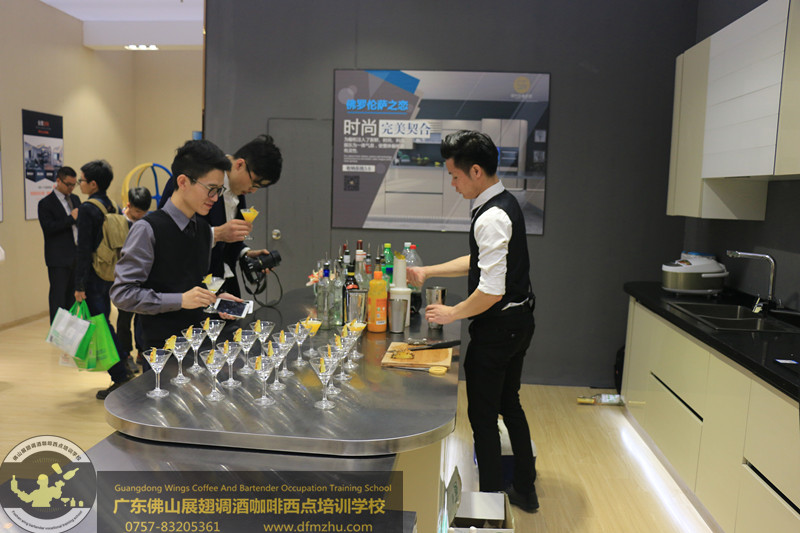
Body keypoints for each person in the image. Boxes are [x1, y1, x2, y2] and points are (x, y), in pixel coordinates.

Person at [406, 130, 538, 512]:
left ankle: (490, 505)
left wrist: (452, 312)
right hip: (519, 323)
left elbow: (491, 291)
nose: (453, 183)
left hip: (498, 330)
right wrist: (429, 270)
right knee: (509, 403)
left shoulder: (491, 217)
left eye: (455, 175)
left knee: (482, 418)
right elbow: (480, 261)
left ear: (476, 171)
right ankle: (525, 489)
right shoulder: (502, 203)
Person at [111, 139, 242, 352]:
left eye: (219, 190)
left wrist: (215, 299)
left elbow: (190, 283)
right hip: (161, 351)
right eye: (211, 189)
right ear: (182, 182)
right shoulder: (148, 229)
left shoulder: (203, 229)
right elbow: (122, 294)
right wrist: (180, 300)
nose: (215, 198)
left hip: (199, 344)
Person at [158, 134, 283, 296]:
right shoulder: (193, 179)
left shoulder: (237, 188)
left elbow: (223, 239)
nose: (253, 190)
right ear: (239, 165)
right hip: (189, 285)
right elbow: (168, 234)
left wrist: (244, 252)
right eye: (254, 184)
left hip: (220, 282)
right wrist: (217, 234)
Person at [73, 160, 133, 399]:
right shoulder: (113, 206)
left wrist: (79, 284)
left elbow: (83, 249)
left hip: (93, 275)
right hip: (111, 271)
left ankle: (120, 375)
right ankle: (123, 365)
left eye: (82, 180)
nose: (80, 184)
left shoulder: (88, 209)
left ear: (93, 184)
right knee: (104, 323)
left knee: (101, 326)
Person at [38, 166, 80, 323]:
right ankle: (57, 332)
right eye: (68, 184)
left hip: (76, 255)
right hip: (58, 259)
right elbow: (49, 228)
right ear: (58, 181)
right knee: (58, 298)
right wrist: (70, 218)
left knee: (72, 298)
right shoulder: (46, 203)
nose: (71, 188)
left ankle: (70, 331)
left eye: (74, 184)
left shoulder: (75, 199)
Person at [116, 186, 152, 374]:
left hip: (144, 278)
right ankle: (125, 355)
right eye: (137, 211)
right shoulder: (118, 222)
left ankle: (141, 351)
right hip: (125, 279)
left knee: (142, 319)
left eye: (144, 212)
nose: (141, 216)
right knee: (124, 320)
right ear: (128, 205)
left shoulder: (148, 222)